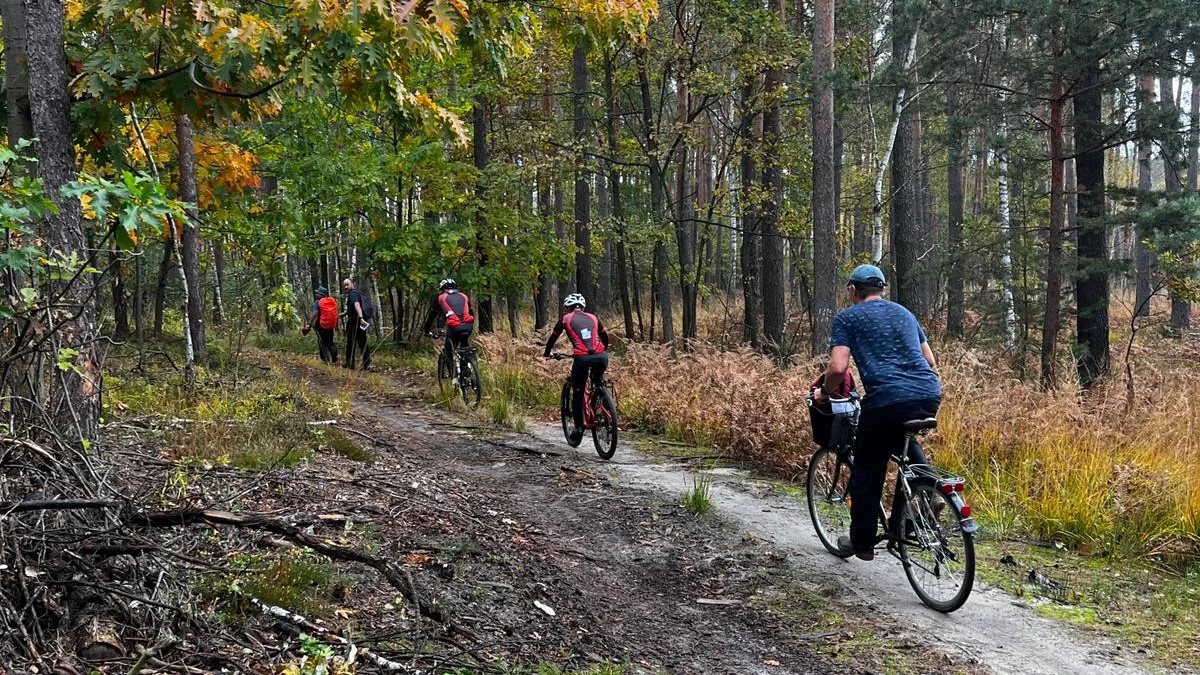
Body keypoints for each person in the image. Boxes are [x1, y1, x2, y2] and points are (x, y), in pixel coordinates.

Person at [814, 264, 941, 561]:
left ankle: (862, 542)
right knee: (900, 439)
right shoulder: (905, 313)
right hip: (928, 392)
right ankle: (923, 495)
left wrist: (826, 392)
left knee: (868, 469)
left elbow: (837, 367)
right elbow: (930, 360)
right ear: (882, 289)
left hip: (887, 399)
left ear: (853, 290)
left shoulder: (847, 318)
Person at [543, 293, 610, 447]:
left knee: (578, 392)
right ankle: (604, 403)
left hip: (581, 358)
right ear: (583, 307)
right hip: (601, 356)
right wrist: (604, 350)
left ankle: (579, 428)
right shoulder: (593, 317)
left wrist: (547, 353)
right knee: (598, 380)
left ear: (568, 308)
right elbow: (604, 336)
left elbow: (553, 338)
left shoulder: (565, 319)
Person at [422, 278, 475, 363]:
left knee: (448, 350)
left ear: (442, 289)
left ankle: (453, 374)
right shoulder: (464, 296)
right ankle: (468, 368)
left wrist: (427, 331)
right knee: (464, 345)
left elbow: (431, 316)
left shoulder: (441, 298)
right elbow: (471, 313)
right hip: (468, 326)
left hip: (454, 327)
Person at [341, 277, 371, 370]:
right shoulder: (357, 293)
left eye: (347, 284)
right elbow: (353, 308)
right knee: (362, 342)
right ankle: (367, 363)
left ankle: (350, 363)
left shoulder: (352, 294)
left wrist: (361, 317)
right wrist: (342, 314)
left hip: (355, 321)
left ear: (353, 284)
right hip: (359, 321)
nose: (346, 287)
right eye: (344, 285)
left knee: (351, 342)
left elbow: (357, 305)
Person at [304, 286, 339, 364]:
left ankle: (324, 359)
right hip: (330, 325)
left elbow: (315, 313)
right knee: (330, 342)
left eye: (318, 293)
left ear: (321, 294)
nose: (316, 294)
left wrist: (310, 323)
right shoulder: (331, 301)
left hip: (321, 325)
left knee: (321, 342)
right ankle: (335, 359)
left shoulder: (318, 302)